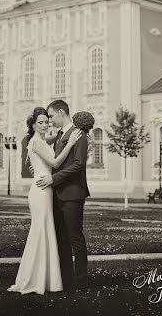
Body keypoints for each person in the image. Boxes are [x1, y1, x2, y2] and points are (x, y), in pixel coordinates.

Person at [7, 107, 82, 295]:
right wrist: (71, 143)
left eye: (46, 121)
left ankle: (47, 278)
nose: (45, 124)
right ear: (33, 125)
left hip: (46, 188)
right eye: (40, 122)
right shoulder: (36, 142)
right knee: (40, 231)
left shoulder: (41, 141)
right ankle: (34, 278)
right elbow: (55, 163)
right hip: (41, 190)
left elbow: (53, 147)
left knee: (46, 231)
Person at [36, 101, 94, 291]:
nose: (50, 120)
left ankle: (81, 281)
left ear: (62, 112)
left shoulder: (79, 135)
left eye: (51, 116)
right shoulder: (60, 134)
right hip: (58, 195)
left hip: (72, 194)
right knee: (61, 238)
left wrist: (54, 179)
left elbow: (78, 165)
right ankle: (66, 280)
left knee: (75, 237)